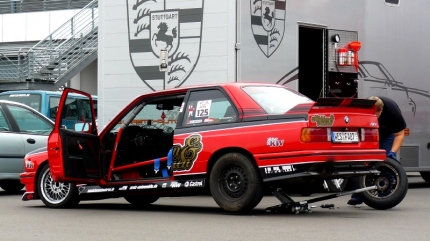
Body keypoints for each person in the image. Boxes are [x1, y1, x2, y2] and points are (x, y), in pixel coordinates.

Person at [347, 96, 407, 205]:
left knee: (384, 162)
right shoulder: (362, 108)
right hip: (369, 134)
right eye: (370, 114)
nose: (372, 117)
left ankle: (384, 196)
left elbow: (399, 134)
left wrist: (393, 152)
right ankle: (358, 196)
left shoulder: (393, 112)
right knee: (362, 164)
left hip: (386, 134)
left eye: (375, 114)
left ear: (381, 111)